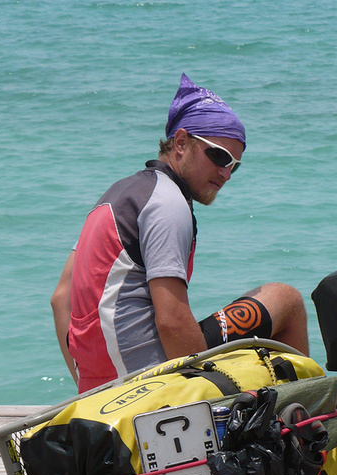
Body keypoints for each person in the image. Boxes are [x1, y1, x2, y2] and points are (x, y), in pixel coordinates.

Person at [51, 74, 309, 393]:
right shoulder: (168, 202)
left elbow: (61, 298)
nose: (226, 173)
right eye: (218, 156)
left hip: (101, 390)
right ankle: (309, 430)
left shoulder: (117, 196)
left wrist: (89, 391)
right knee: (287, 300)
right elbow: (171, 320)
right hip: (148, 385)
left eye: (235, 165)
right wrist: (209, 396)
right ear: (181, 142)